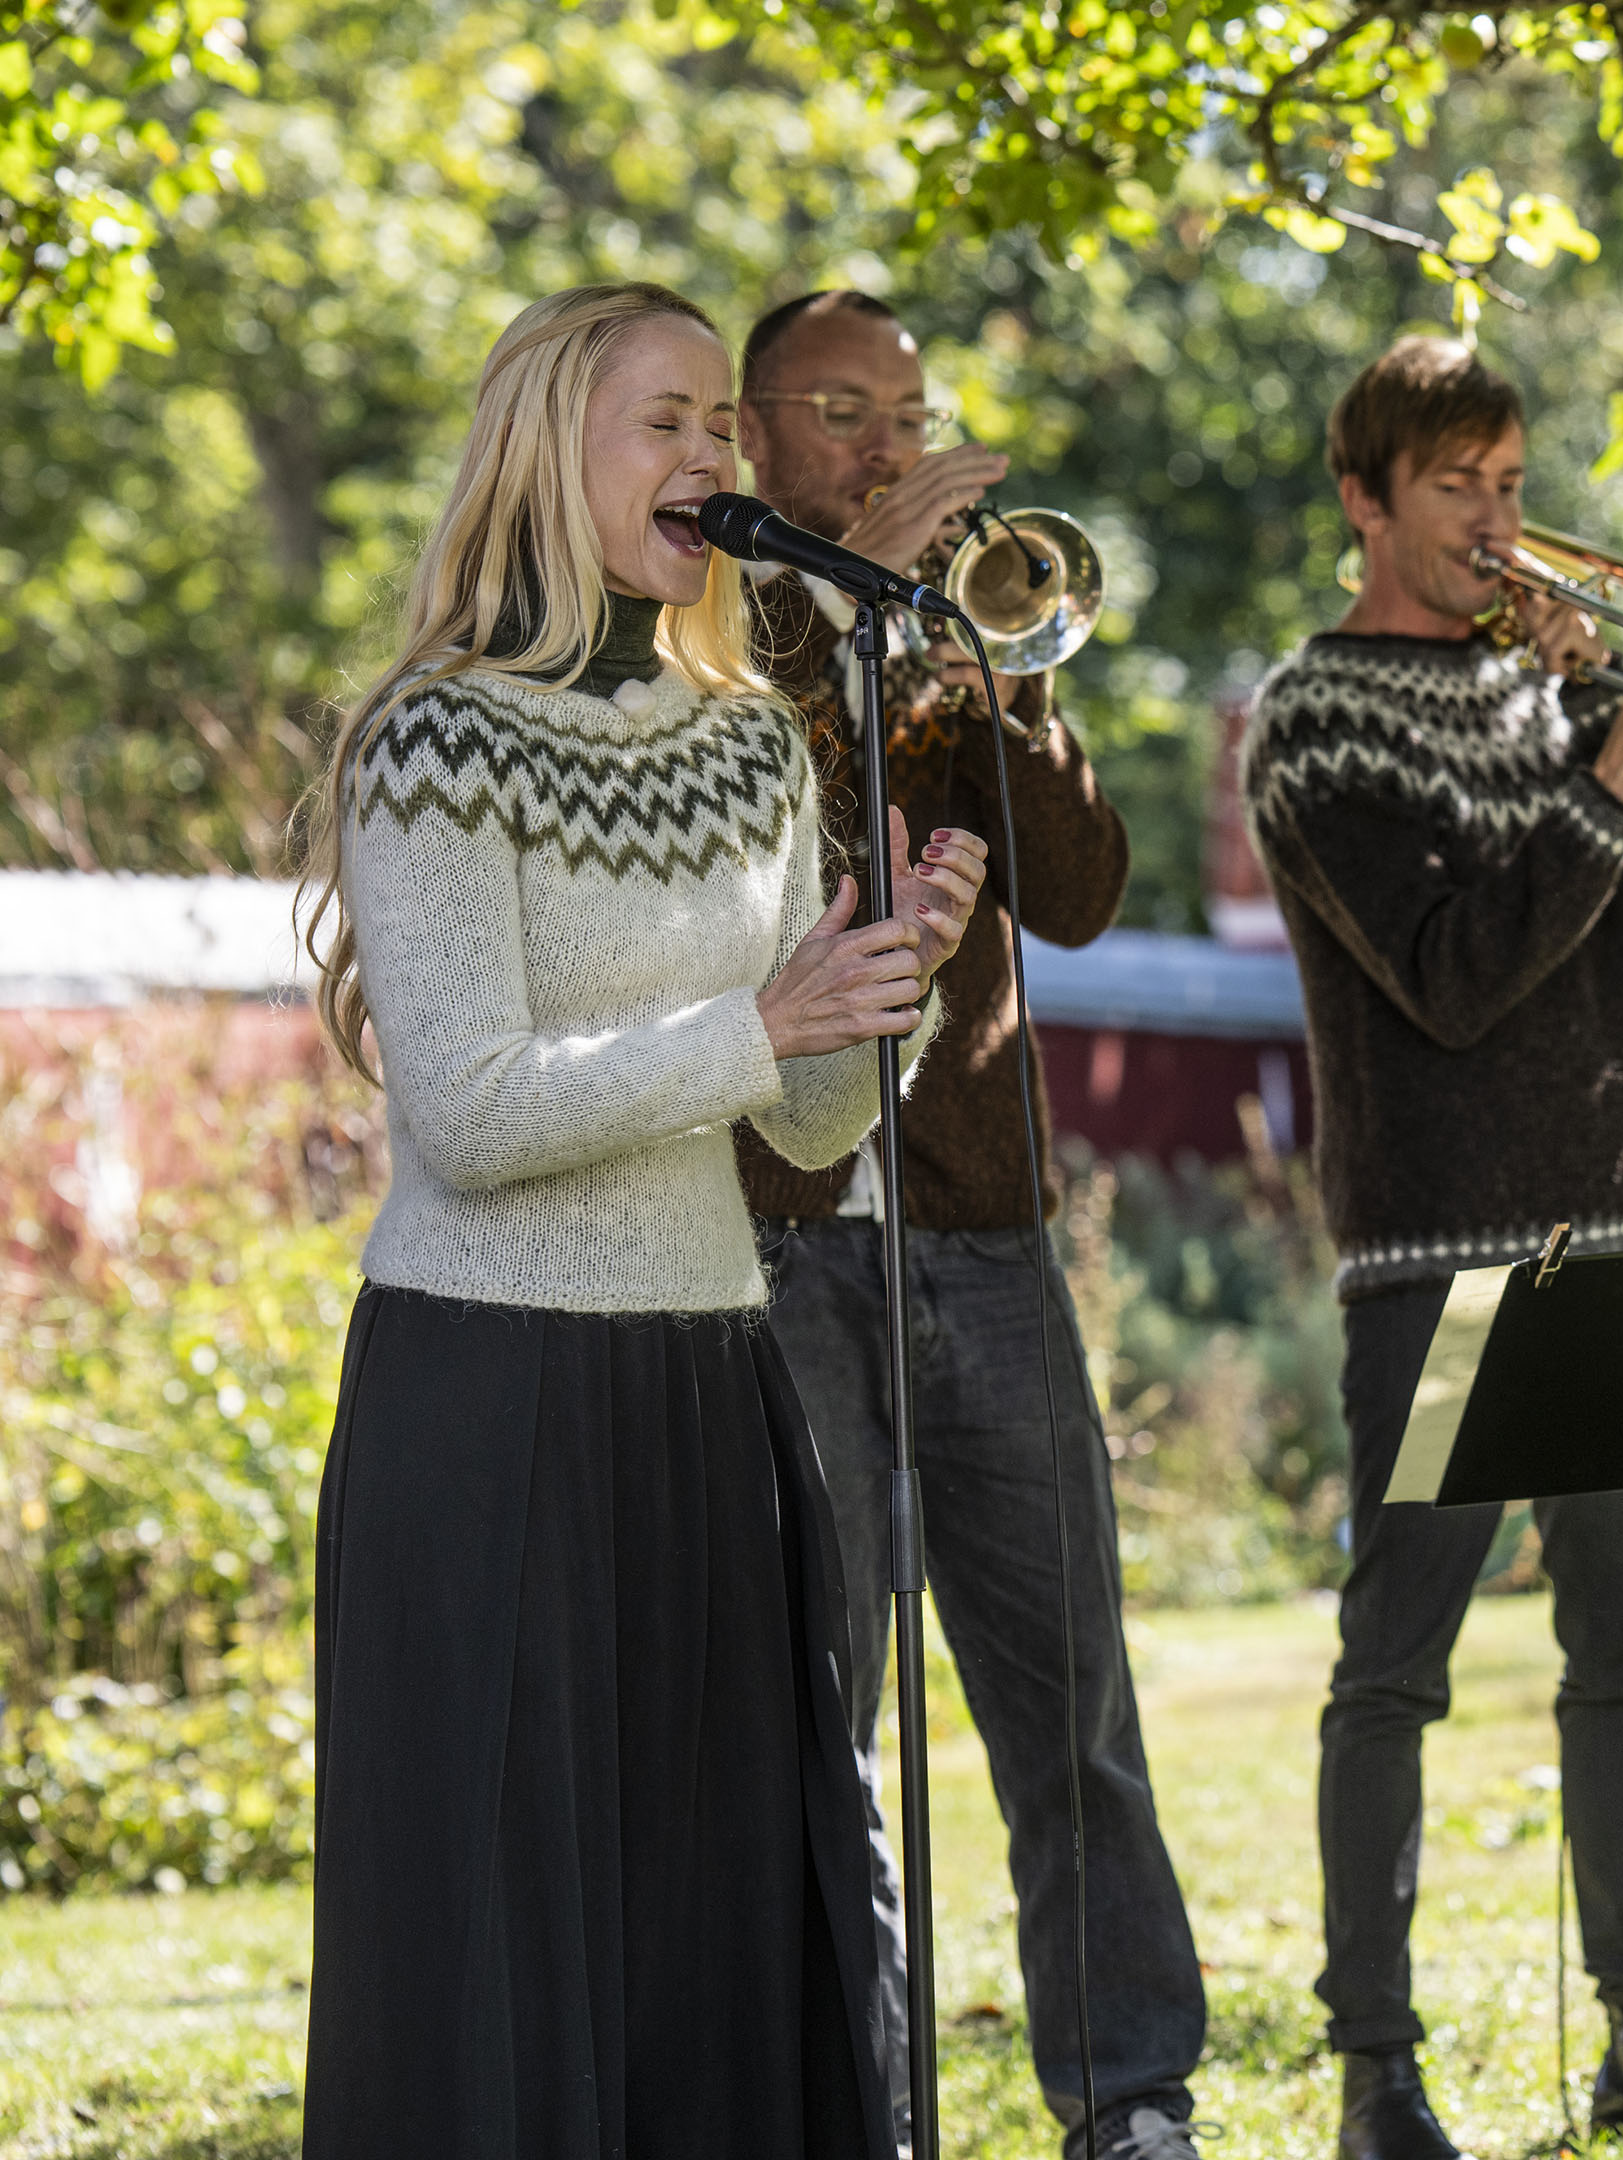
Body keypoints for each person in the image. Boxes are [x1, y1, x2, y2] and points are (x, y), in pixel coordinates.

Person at [292, 279, 987, 2157]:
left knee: (721, 1932)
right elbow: (475, 1113)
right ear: (546, 450)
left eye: (719, 429)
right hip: (488, 1406)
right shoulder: (435, 742)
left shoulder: (755, 745)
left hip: (708, 1390)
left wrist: (876, 992)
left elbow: (813, 1123)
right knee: (504, 1946)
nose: (710, 457)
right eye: (664, 420)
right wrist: (759, 1017)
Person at [1243, 334, 1623, 2160]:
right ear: (1366, 499)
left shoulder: (1557, 695)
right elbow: (1456, 983)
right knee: (1398, 1662)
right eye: (1456, 484)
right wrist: (1602, 781)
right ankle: (1377, 2080)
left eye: (1513, 483)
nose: (1495, 520)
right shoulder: (1313, 716)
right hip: (1440, 1259)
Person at [727, 287, 1205, 2160]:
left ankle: (1132, 2099)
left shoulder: (959, 625)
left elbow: (1080, 893)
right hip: (775, 1223)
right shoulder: (720, 630)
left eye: (908, 411)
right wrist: (839, 598)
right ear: (755, 432)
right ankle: (857, 2103)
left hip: (981, 1224)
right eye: (841, 409)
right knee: (821, 1703)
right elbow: (755, 845)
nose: (887, 446)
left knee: (1067, 1687)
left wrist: (1012, 688)